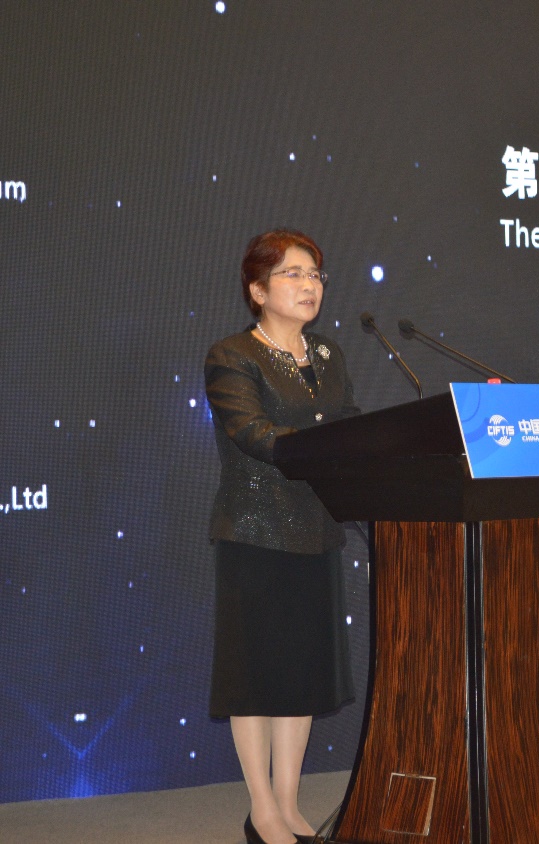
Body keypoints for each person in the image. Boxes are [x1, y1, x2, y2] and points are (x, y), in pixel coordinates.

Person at [205, 230, 359, 844]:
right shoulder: (232, 355)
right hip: (256, 530)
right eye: (293, 274)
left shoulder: (328, 354)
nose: (308, 285)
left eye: (315, 274)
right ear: (258, 289)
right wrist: (328, 446)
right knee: (257, 675)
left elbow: (349, 423)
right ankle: (262, 809)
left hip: (316, 529)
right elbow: (252, 432)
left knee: (300, 674)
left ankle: (290, 804)